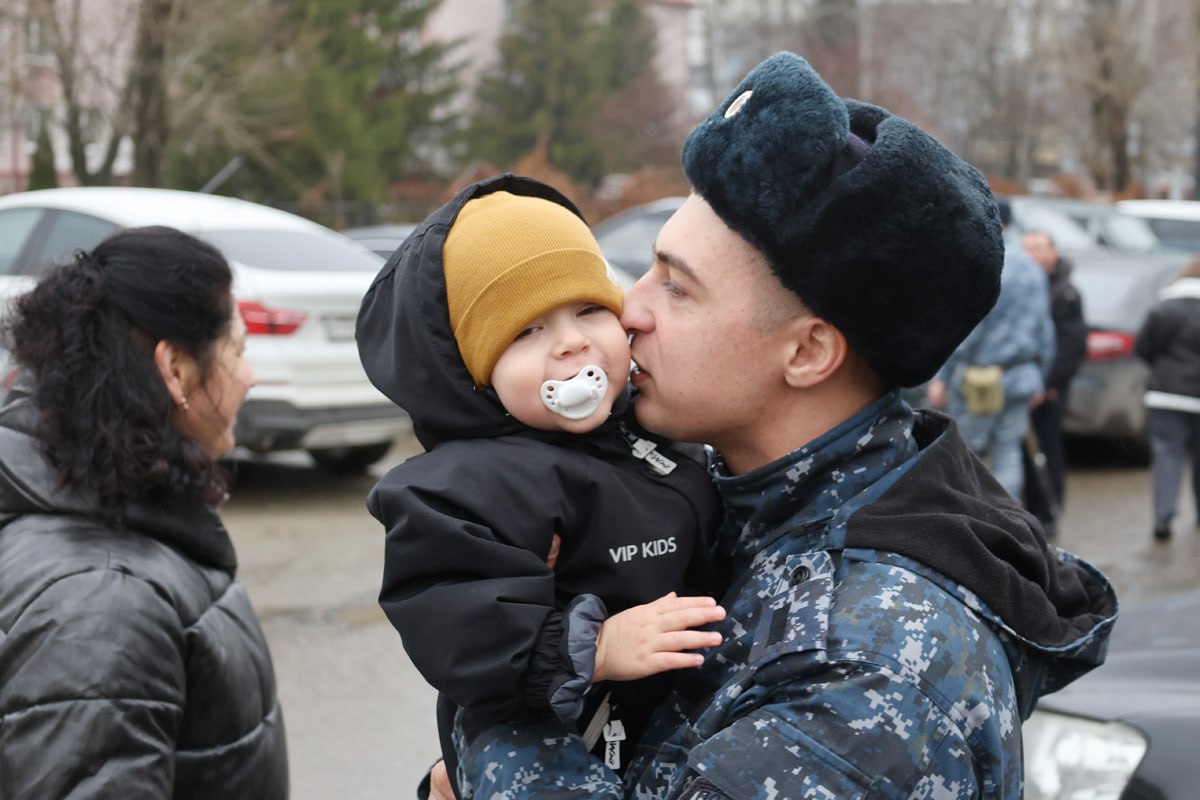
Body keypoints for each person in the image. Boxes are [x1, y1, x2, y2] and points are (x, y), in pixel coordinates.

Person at [437, 52, 1117, 800]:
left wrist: (499, 695)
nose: (629, 309)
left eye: (676, 285)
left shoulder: (865, 673)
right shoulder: (733, 512)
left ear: (808, 351)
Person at [354, 175, 725, 796]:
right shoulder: (467, 486)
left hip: (666, 728)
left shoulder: (649, 435)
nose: (572, 342)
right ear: (475, 374)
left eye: (588, 310)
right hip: (558, 744)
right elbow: (456, 619)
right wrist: (594, 646)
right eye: (527, 331)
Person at [0, 226, 288, 798]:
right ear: (176, 368)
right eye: (237, 350)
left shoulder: (105, 518)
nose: (250, 376)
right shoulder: (103, 602)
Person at [927, 209, 1057, 501]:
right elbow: (1045, 330)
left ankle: (967, 522)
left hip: (979, 378)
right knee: (1009, 452)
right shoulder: (1032, 268)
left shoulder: (983, 263)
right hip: (1021, 375)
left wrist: (942, 376)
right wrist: (1041, 378)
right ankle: (1004, 521)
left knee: (966, 452)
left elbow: (968, 330)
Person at [1022, 229, 1088, 526]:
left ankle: (1051, 508)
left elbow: (1072, 345)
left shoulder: (1064, 293)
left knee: (1048, 447)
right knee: (1023, 449)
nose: (1032, 254)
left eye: (1038, 248)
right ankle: (1033, 506)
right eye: (1028, 248)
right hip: (1024, 382)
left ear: (1053, 254)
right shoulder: (1022, 286)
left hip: (1050, 388)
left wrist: (1050, 385)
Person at [1136, 256, 1200, 541]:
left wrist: (1162, 370)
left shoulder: (1165, 308)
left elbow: (1145, 346)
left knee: (1167, 456)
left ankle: (1163, 517)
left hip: (1166, 395)